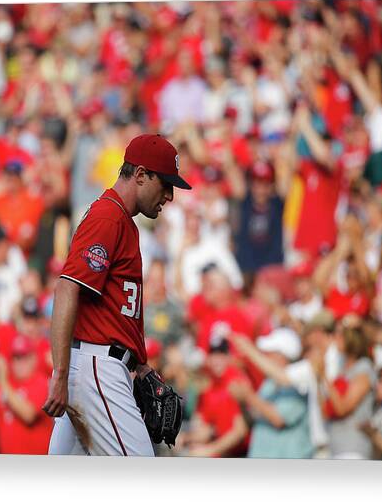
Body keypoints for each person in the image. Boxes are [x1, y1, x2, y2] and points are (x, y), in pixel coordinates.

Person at [44, 134, 192, 456]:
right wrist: (61, 372)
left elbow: (113, 308)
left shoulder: (122, 221)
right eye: (165, 184)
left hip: (102, 366)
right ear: (140, 175)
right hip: (97, 369)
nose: (169, 195)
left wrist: (138, 364)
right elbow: (67, 287)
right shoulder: (108, 216)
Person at [228, 328, 313, 459]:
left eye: (270, 353)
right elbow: (255, 418)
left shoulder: (298, 384)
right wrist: (243, 401)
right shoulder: (269, 383)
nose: (265, 356)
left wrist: (249, 396)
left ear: (282, 356)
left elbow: (279, 419)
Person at [320, 320, 377, 459]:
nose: (335, 337)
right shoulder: (341, 368)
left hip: (353, 448)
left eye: (340, 334)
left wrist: (323, 375)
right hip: (336, 448)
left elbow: (343, 408)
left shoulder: (364, 368)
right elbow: (325, 412)